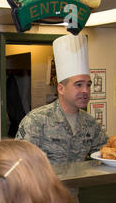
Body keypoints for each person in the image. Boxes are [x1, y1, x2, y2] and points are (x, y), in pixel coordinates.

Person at [15, 34, 107, 165]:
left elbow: (106, 154)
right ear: (61, 89)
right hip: (45, 186)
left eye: (88, 85)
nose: (85, 90)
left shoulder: (90, 124)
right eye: (78, 85)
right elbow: (19, 164)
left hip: (76, 185)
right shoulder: (36, 121)